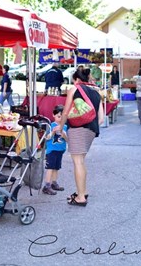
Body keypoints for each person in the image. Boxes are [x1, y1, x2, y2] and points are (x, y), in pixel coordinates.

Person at [58, 68, 104, 207]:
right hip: (91, 130)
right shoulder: (97, 92)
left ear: (76, 79)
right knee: (81, 161)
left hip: (77, 129)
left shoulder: (74, 89)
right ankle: (82, 191)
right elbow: (100, 119)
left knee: (78, 162)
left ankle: (81, 197)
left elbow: (65, 112)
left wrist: (60, 127)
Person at [42, 105, 68, 195]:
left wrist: (63, 133)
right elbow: (47, 138)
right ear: (54, 115)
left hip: (60, 150)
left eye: (62, 117)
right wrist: (53, 132)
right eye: (58, 117)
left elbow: (68, 140)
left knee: (56, 168)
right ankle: (47, 185)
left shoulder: (65, 127)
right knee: (50, 168)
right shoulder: (51, 126)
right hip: (52, 150)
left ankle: (54, 183)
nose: (60, 119)